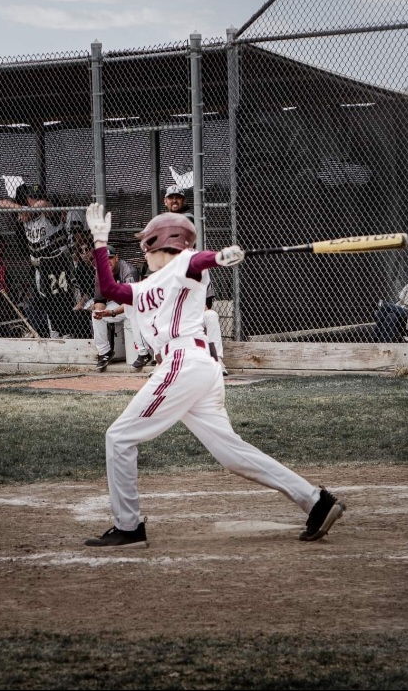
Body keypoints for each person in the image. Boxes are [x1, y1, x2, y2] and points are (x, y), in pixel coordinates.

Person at [82, 204, 346, 547]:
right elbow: (110, 289)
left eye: (146, 244)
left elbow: (196, 261)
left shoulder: (183, 265)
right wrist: (100, 242)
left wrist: (218, 257)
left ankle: (128, 527)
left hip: (184, 361)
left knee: (119, 438)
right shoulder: (148, 285)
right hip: (196, 367)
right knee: (230, 453)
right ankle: (316, 501)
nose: (142, 251)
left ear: (161, 242)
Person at [0, 183, 77, 338]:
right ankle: (54, 333)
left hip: (56, 263)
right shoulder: (24, 214)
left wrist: (29, 210)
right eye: (31, 198)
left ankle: (68, 333)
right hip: (39, 267)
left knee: (61, 299)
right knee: (46, 300)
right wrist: (21, 210)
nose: (34, 201)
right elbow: (0, 203)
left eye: (36, 198)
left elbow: (44, 204)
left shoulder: (48, 213)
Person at [163, 184, 227, 374]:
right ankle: (162, 364)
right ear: (165, 201)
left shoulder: (198, 266)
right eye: (171, 198)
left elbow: (207, 304)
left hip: (193, 314)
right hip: (175, 315)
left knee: (212, 316)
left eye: (178, 198)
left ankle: (218, 361)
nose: (174, 201)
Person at [89, 245, 149, 372]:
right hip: (120, 306)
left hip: (144, 307)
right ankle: (105, 352)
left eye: (110, 258)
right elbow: (100, 300)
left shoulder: (128, 271)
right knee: (96, 312)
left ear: (116, 258)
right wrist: (100, 312)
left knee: (132, 308)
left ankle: (143, 353)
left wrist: (111, 312)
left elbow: (132, 301)